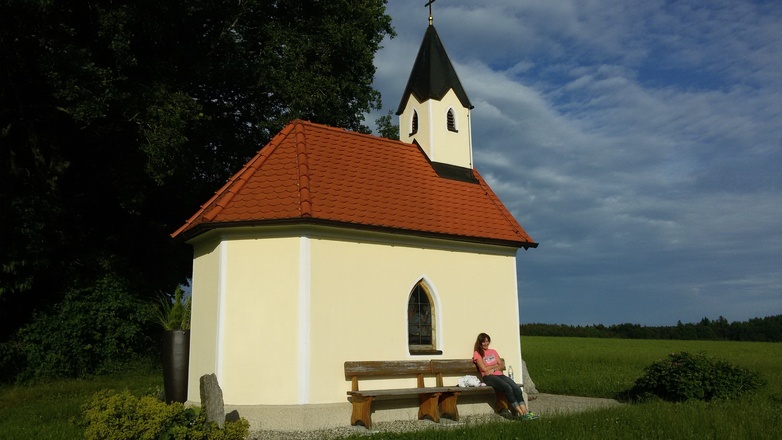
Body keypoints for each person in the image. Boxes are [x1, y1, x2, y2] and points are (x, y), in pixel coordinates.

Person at [473, 333, 539, 420]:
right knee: (508, 388)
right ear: (480, 342)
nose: (486, 343)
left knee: (516, 388)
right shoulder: (477, 353)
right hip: (488, 378)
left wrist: (493, 369)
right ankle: (521, 414)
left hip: (499, 374)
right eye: (484, 342)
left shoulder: (493, 351)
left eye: (487, 341)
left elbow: (502, 365)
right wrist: (496, 365)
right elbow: (483, 368)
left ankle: (526, 411)